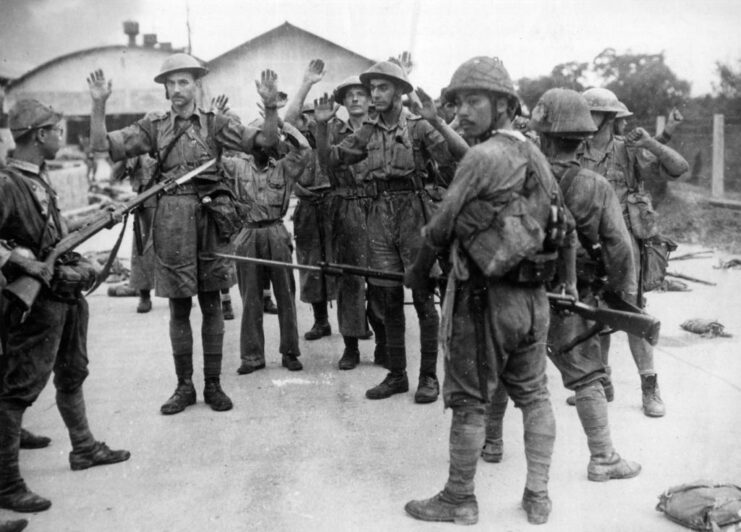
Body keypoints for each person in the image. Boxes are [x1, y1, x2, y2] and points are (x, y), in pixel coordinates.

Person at [403, 57, 573, 526]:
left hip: (483, 301)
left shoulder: (481, 158)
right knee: (535, 396)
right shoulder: (533, 153)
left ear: (504, 105)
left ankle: (459, 499)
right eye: (459, 101)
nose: (464, 109)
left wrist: (417, 273)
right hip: (533, 300)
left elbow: (439, 227)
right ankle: (538, 497)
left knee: (470, 400)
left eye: (474, 99)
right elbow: (565, 224)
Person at [87, 53, 282, 415]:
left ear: (197, 85)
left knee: (211, 303)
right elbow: (103, 145)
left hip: (211, 218)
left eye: (184, 82)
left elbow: (266, 142)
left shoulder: (215, 124)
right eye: (170, 83)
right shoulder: (153, 125)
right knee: (178, 306)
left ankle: (213, 385)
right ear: (164, 90)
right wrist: (98, 105)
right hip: (172, 220)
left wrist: (270, 106)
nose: (177, 90)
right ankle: (184, 386)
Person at [484, 88, 642, 482]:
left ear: (540, 133)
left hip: (515, 291)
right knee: (587, 376)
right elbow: (620, 247)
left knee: (504, 367)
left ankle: (491, 443)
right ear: (584, 136)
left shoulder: (514, 177)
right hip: (572, 294)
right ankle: (602, 458)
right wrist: (621, 297)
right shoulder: (596, 185)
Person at [0, 99, 130, 514]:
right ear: (39, 135)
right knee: (18, 390)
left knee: (71, 373)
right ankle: (6, 484)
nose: (62, 136)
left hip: (64, 294)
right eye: (57, 130)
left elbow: (50, 230)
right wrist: (24, 263)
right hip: (37, 300)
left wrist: (98, 217)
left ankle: (84, 448)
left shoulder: (37, 177)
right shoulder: (8, 184)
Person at [322, 60, 460, 403]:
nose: (375, 94)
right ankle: (397, 374)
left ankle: (428, 377)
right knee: (388, 298)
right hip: (378, 215)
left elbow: (457, 160)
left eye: (383, 87)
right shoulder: (366, 131)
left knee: (425, 298)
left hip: (415, 214)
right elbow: (333, 162)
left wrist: (437, 122)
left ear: (400, 91)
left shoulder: (418, 127)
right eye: (372, 89)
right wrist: (322, 128)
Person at [578, 87, 689, 417]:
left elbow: (679, 167)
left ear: (608, 118)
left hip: (624, 245)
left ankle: (649, 387)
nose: (585, 119)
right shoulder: (576, 151)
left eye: (593, 112)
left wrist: (652, 142)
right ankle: (602, 382)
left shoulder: (628, 150)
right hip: (587, 245)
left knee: (632, 314)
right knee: (592, 313)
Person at [224, 120, 311, 374]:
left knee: (285, 294)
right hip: (248, 233)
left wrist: (282, 124)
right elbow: (215, 158)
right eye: (258, 138)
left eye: (268, 139)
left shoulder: (285, 167)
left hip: (276, 231)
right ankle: (251, 356)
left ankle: (290, 352)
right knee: (250, 297)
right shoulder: (237, 167)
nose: (263, 145)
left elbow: (304, 150)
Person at [313, 75, 382, 369]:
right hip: (346, 206)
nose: (355, 98)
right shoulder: (334, 129)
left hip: (379, 205)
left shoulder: (382, 128)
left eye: (361, 93)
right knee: (350, 279)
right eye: (350, 95)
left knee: (382, 278)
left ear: (371, 100)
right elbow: (326, 161)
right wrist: (321, 126)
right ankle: (351, 346)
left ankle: (385, 344)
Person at [283, 60, 338, 342]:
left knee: (344, 260)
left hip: (333, 204)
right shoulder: (295, 143)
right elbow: (286, 123)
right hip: (307, 208)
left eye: (313, 116)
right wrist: (306, 84)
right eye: (306, 116)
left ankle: (356, 321)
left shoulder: (331, 134)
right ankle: (321, 321)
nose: (309, 121)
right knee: (311, 264)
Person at [109, 154, 157, 313]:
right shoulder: (141, 141)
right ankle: (144, 294)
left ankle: (180, 294)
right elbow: (115, 175)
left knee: (176, 245)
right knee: (143, 245)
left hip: (173, 195)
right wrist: (127, 155)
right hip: (147, 196)